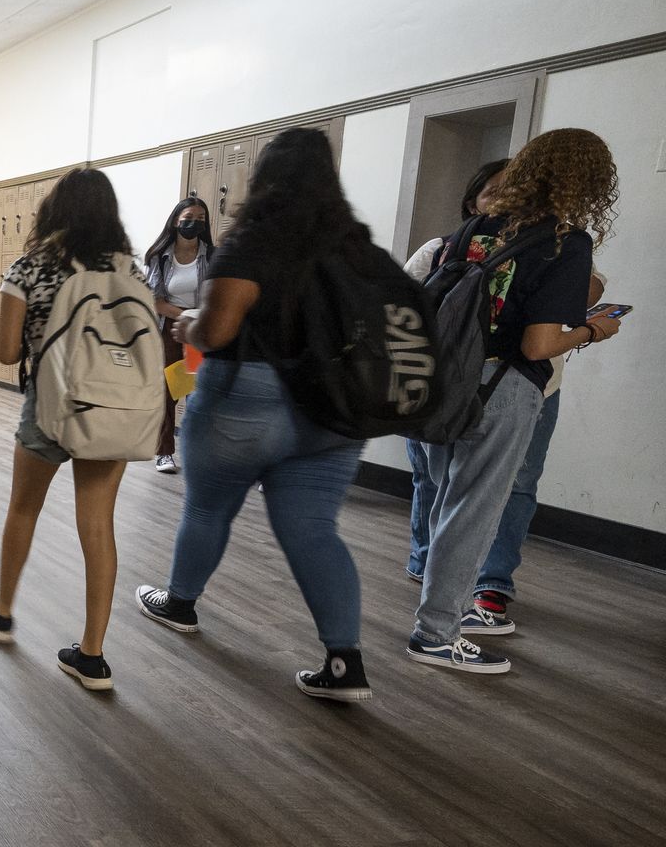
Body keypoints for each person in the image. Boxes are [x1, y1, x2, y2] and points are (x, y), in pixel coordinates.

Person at [133, 128, 376, 702]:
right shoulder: (355, 245)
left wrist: (187, 325)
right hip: (331, 408)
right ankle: (344, 662)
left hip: (248, 397)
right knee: (316, 531)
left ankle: (181, 603)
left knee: (208, 507)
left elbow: (216, 330)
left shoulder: (253, 242)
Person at [408, 128, 622, 673]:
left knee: (444, 500)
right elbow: (539, 343)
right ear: (587, 182)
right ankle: (436, 635)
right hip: (504, 391)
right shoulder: (565, 242)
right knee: (473, 513)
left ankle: (433, 618)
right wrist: (593, 331)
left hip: (447, 383)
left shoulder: (470, 231)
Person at [0, 168, 143, 692]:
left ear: (52, 212)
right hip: (110, 408)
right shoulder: (131, 274)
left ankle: (2, 611)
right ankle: (92, 656)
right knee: (98, 525)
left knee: (24, 507)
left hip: (49, 404)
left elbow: (5, 353)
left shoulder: (29, 268)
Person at [402, 160, 508, 581]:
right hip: (440, 380)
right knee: (431, 477)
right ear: (472, 202)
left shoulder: (542, 247)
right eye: (493, 192)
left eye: (514, 190)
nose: (504, 200)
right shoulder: (439, 249)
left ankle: (481, 577)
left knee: (490, 488)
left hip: (501, 384)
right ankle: (425, 561)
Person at [143, 197, 216, 474]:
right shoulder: (159, 256)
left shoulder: (211, 255)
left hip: (198, 334)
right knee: (168, 390)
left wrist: (195, 320)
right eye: (188, 217)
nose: (194, 223)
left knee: (196, 390)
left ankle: (200, 452)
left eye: (200, 219)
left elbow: (214, 297)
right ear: (176, 220)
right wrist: (186, 315)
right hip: (171, 330)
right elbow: (156, 301)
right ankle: (164, 452)